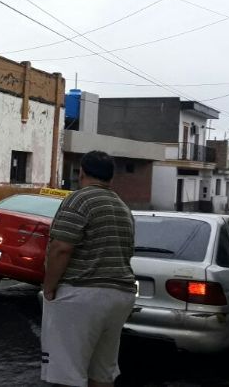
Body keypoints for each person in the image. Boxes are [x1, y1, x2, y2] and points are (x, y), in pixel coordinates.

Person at [40, 151, 136, 387]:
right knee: (102, 373)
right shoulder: (123, 207)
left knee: (67, 374)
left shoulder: (79, 199)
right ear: (110, 178)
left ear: (81, 172)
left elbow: (61, 248)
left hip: (83, 295)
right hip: (120, 296)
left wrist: (49, 288)